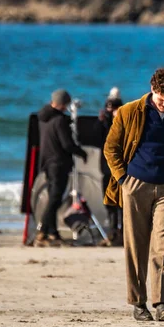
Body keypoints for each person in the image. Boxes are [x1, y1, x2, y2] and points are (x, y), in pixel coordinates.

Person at [104, 68, 164, 322]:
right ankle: (138, 302)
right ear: (152, 90)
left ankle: (163, 303)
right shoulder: (128, 111)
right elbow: (111, 147)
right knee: (136, 246)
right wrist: (123, 179)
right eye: (162, 98)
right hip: (136, 185)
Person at [35, 89, 88, 247]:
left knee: (53, 198)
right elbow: (66, 144)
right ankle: (43, 232)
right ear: (64, 104)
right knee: (55, 199)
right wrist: (81, 152)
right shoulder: (59, 121)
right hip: (58, 163)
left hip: (47, 162)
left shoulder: (43, 118)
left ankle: (52, 233)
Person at [96, 87, 123, 245]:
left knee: (123, 204)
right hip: (106, 168)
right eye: (109, 107)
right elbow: (97, 138)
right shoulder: (104, 123)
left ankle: (123, 232)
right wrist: (103, 121)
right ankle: (112, 232)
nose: (112, 110)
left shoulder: (125, 121)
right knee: (109, 201)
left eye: (115, 107)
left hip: (121, 168)